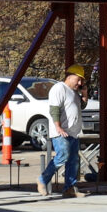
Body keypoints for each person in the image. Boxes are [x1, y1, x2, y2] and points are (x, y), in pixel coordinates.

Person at [39, 65, 86, 197]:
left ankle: (69, 188)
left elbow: (80, 106)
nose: (80, 83)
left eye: (82, 81)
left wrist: (85, 94)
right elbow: (54, 109)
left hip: (73, 132)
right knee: (63, 156)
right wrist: (58, 127)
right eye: (78, 79)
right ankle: (43, 180)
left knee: (73, 161)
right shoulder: (59, 88)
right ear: (69, 76)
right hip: (61, 132)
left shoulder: (74, 92)